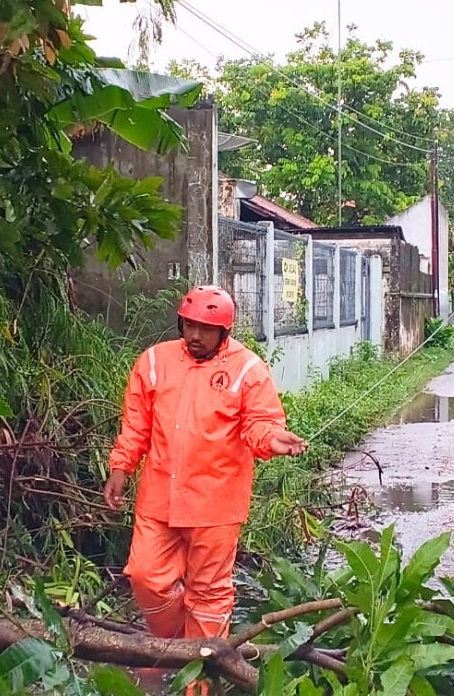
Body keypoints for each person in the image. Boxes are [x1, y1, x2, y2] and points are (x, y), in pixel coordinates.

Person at [105, 285, 307, 691]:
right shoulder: (155, 362)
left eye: (206, 328)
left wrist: (274, 440)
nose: (195, 335)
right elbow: (136, 424)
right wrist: (121, 466)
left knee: (209, 596)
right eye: (190, 325)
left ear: (224, 332)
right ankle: (171, 648)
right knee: (144, 577)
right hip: (158, 498)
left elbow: (260, 424)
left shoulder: (248, 369)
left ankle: (197, 682)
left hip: (216, 506)